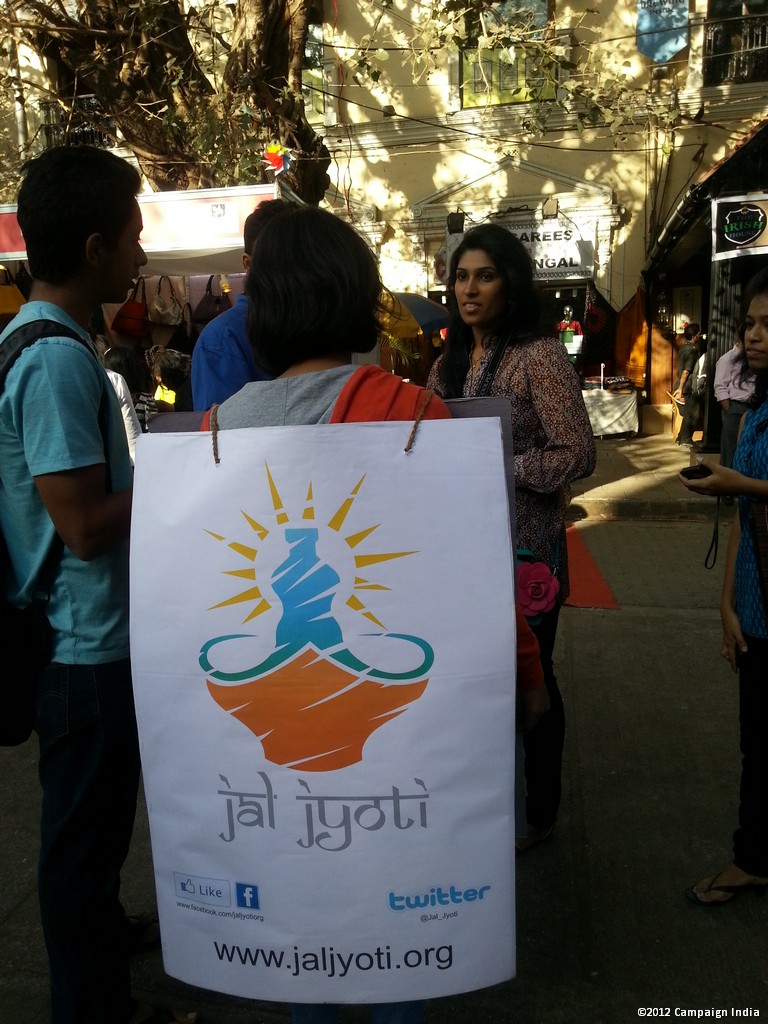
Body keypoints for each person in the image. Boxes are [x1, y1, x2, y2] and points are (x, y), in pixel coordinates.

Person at [208, 205, 547, 1022]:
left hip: (267, 781)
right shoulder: (413, 416)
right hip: (403, 755)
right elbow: (475, 573)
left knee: (300, 912)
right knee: (399, 916)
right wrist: (528, 672)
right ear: (358, 300)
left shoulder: (215, 434)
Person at [0, 147, 191, 1024]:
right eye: (133, 235)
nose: (142, 254)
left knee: (95, 837)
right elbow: (80, 524)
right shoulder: (54, 361)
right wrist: (180, 474)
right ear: (92, 247)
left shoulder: (46, 342)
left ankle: (105, 948)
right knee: (79, 851)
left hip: (86, 638)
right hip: (82, 648)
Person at [426, 223, 596, 852]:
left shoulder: (538, 356)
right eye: (461, 277)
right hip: (462, 545)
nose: (470, 289)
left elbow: (578, 453)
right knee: (477, 679)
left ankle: (539, 811)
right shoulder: (448, 360)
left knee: (533, 679)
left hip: (526, 547)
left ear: (511, 284)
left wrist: (497, 462)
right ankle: (487, 804)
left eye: (485, 276)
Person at [679, 266, 768, 905]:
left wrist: (743, 484)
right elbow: (743, 512)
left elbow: (748, 492)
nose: (754, 336)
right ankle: (754, 857)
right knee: (758, 745)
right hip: (757, 604)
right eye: (751, 324)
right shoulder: (756, 410)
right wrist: (727, 601)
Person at [190, 200, 288, 410]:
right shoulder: (221, 338)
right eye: (275, 256)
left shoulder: (310, 326)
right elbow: (220, 428)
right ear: (248, 263)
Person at [713, 323, 756, 470]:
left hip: (753, 406)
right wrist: (729, 410)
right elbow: (720, 387)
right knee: (730, 449)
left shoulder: (753, 359)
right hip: (736, 407)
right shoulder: (727, 359)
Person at [672, 321, 704, 449]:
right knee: (692, 413)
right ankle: (686, 439)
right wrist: (680, 388)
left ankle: (681, 437)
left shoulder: (683, 348)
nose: (700, 336)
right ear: (695, 336)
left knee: (689, 413)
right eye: (699, 334)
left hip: (684, 385)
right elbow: (686, 371)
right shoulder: (692, 350)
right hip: (688, 386)